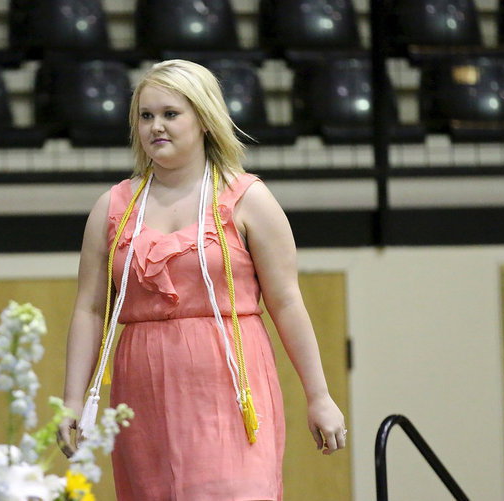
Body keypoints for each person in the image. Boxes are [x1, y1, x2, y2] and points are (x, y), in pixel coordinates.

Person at [58, 59, 346, 500]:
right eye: (146, 115)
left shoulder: (249, 199)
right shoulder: (112, 206)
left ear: (205, 119)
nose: (156, 126)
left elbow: (287, 303)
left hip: (229, 387)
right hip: (142, 391)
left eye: (171, 114)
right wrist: (73, 400)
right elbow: (90, 309)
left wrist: (319, 396)